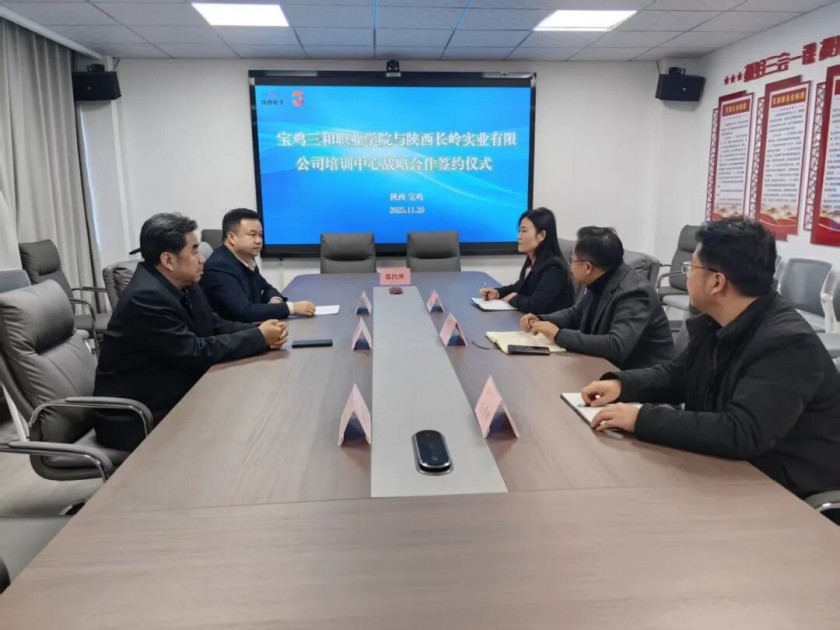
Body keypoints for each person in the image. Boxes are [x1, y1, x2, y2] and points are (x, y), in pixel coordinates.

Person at [583, 218, 840, 499]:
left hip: (783, 489)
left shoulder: (788, 343)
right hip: (727, 469)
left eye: (690, 268)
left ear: (717, 282)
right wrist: (622, 385)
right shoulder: (718, 321)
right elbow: (678, 375)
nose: (686, 276)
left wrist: (640, 419)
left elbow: (741, 432)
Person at [94, 213, 288, 451]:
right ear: (168, 260)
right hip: (136, 417)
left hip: (174, 394)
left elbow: (214, 324)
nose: (202, 259)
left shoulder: (185, 283)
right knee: (243, 429)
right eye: (194, 251)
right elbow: (195, 352)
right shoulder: (145, 298)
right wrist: (259, 337)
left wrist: (260, 330)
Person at [520, 226, 673, 369]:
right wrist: (541, 319)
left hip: (641, 377)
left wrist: (558, 335)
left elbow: (616, 345)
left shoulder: (634, 293)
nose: (569, 266)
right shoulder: (601, 278)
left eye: (572, 260)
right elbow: (575, 314)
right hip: (606, 367)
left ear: (587, 267)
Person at [201, 208, 316, 322]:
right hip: (235, 331)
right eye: (252, 235)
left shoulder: (246, 258)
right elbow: (244, 311)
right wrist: (291, 308)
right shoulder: (219, 267)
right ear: (231, 238)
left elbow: (265, 288)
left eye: (260, 235)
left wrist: (275, 301)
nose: (259, 241)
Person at [479, 208, 575, 314]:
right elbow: (520, 287)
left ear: (541, 235)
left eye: (524, 231)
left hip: (549, 323)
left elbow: (535, 305)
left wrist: (514, 299)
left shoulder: (554, 267)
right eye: (519, 231)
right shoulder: (533, 260)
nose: (518, 236)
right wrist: (497, 293)